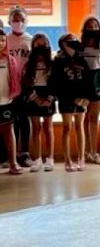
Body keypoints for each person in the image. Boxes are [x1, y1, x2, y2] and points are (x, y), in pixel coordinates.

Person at [51, 33, 92, 172]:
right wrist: (71, 97)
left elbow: (87, 80)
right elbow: (57, 84)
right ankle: (67, 160)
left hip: (81, 98)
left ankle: (81, 158)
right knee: (67, 127)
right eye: (69, 41)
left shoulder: (81, 59)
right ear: (62, 44)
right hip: (66, 99)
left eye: (74, 41)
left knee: (80, 127)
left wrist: (86, 97)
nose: (73, 43)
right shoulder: (58, 60)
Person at [22, 33, 56, 172]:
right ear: (33, 46)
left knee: (48, 127)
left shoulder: (53, 64)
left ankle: (50, 158)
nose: (41, 47)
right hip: (33, 97)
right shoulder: (28, 65)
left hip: (48, 96)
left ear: (48, 46)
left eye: (43, 44)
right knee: (35, 128)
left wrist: (49, 98)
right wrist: (36, 98)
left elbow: (56, 83)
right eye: (38, 44)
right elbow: (25, 84)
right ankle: (37, 160)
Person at [6, 7, 32, 168]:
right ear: (9, 21)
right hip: (8, 85)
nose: (18, 23)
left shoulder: (30, 40)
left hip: (26, 85)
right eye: (15, 19)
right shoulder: (5, 40)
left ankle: (25, 153)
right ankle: (12, 154)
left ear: (26, 22)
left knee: (24, 119)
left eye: (21, 19)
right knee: (10, 120)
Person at [80, 16, 100, 164]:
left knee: (94, 117)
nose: (93, 29)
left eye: (95, 26)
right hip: (83, 81)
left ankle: (94, 151)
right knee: (84, 117)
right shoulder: (80, 46)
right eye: (89, 26)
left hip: (98, 81)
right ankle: (84, 152)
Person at [0, 29, 23, 175]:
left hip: (6, 102)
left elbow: (15, 80)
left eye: (2, 40)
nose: (0, 43)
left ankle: (13, 163)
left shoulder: (10, 60)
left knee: (9, 132)